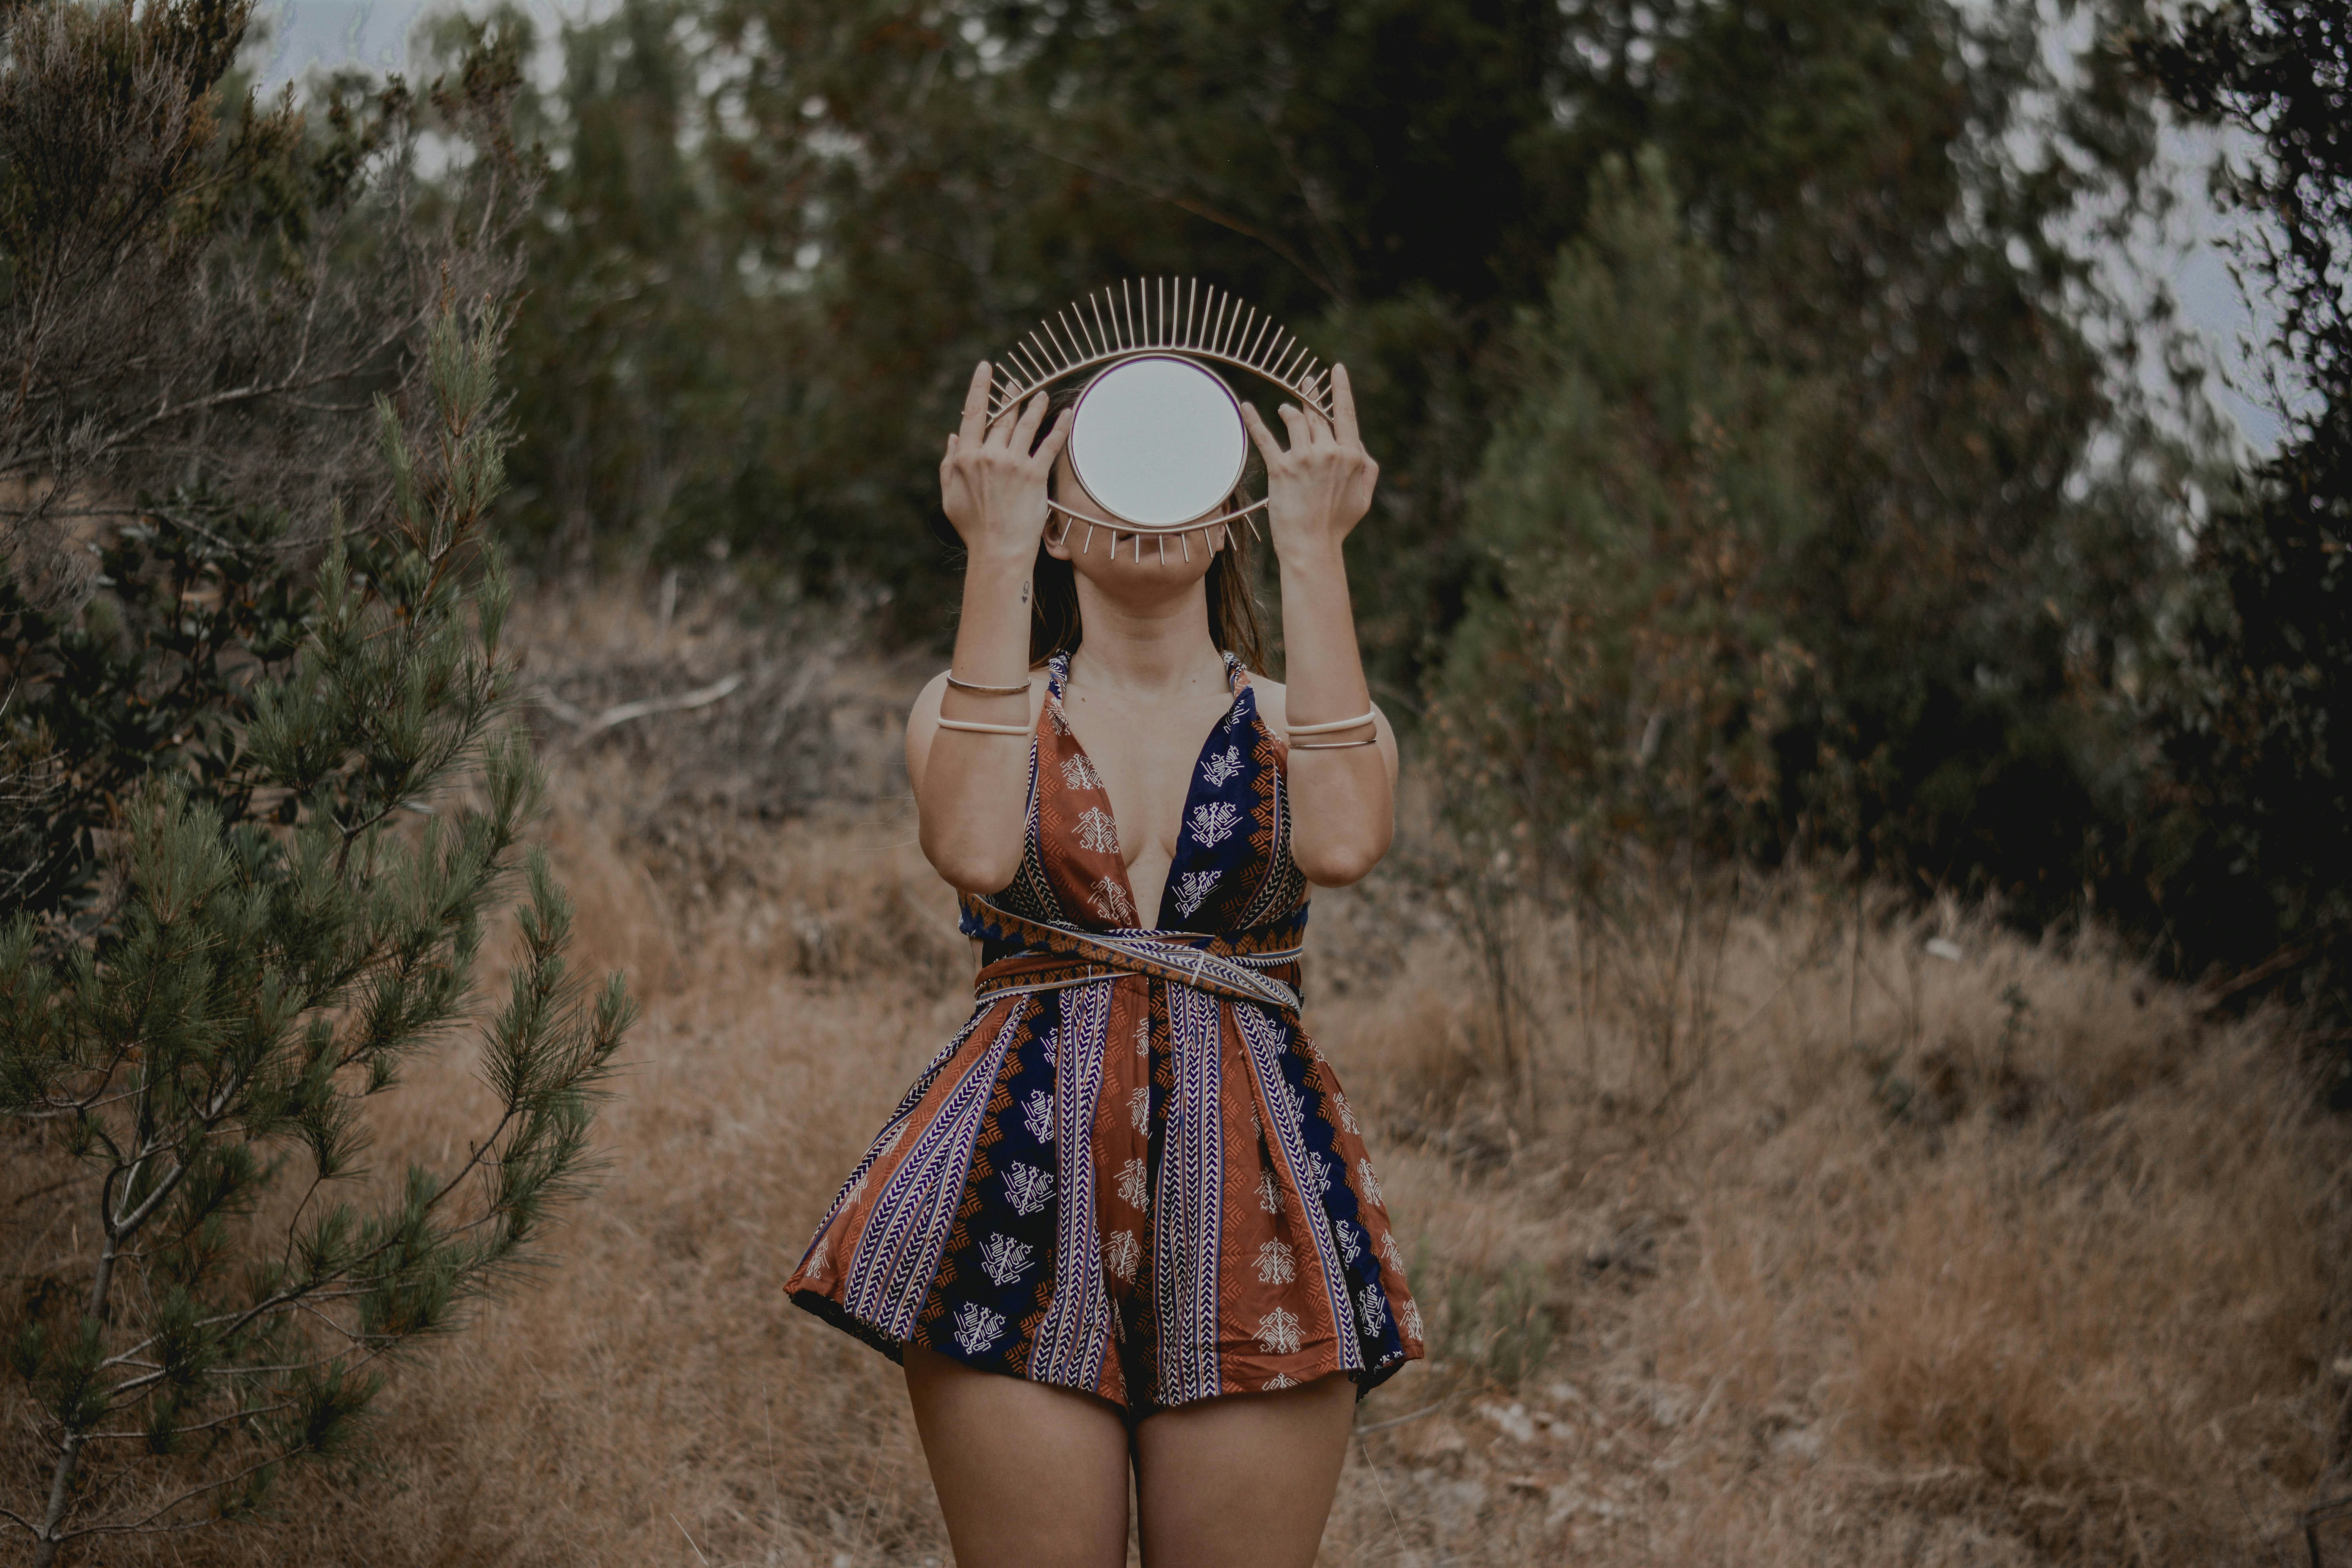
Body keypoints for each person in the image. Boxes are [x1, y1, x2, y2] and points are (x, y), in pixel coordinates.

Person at [786, 355, 1424, 1568]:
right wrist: (993, 553)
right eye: (1103, 471)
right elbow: (973, 845)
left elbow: (1343, 840)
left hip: (1256, 1191)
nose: (1141, 504)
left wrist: (1317, 548)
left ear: (1225, 510)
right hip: (1015, 1176)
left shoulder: (1306, 718)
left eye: (1171, 473)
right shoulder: (975, 704)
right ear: (1057, 516)